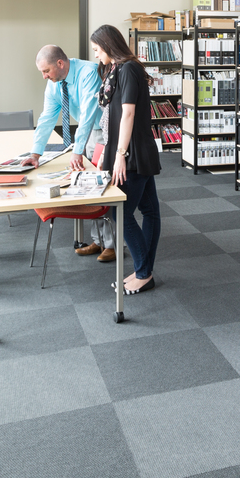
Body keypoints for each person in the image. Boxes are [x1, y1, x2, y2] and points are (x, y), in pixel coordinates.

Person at [22, 45, 113, 261]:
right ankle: (99, 240)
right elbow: (47, 118)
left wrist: (77, 150)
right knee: (91, 186)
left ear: (60, 64)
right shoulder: (54, 84)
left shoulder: (88, 73)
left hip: (104, 133)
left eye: (46, 71)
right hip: (88, 133)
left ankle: (113, 244)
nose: (44, 76)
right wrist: (35, 153)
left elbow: (89, 113)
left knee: (107, 187)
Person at [90, 24, 161, 294]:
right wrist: (106, 153)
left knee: (118, 211)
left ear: (108, 46)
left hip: (132, 153)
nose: (96, 55)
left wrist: (120, 155)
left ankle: (144, 272)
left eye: (97, 50)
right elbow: (113, 117)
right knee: (149, 211)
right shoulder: (114, 70)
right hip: (125, 150)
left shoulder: (129, 68)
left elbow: (128, 114)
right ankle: (144, 272)